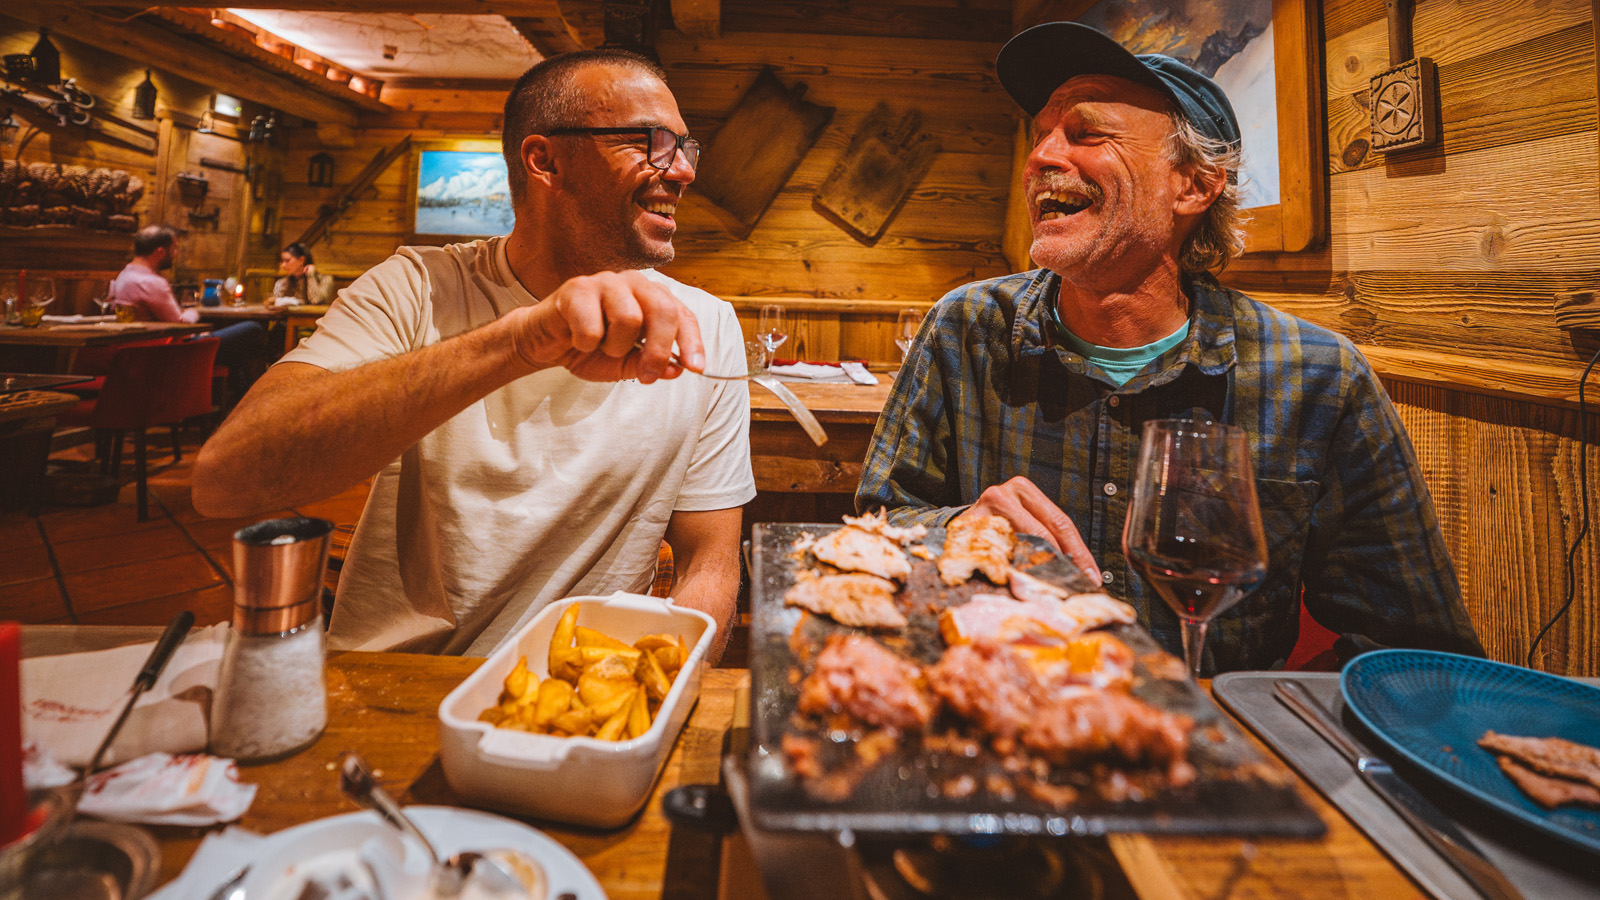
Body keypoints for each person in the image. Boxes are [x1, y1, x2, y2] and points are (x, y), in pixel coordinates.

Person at [856, 22, 1484, 674]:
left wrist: (1250, 732)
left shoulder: (1319, 379)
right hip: (1001, 716)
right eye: (1040, 133)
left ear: (1193, 185)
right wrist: (959, 522)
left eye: (1085, 132)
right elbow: (877, 524)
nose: (1041, 155)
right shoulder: (966, 329)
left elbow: (1414, 651)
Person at [191, 49, 755, 660]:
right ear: (545, 160)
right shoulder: (414, 286)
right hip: (395, 680)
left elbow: (711, 560)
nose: (682, 172)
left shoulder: (706, 324)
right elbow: (226, 482)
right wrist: (520, 341)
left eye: (685, 147)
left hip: (584, 697)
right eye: (649, 141)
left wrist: (668, 683)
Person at [111, 224, 268, 399]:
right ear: (160, 252)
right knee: (253, 329)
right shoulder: (151, 282)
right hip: (170, 353)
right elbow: (181, 323)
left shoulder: (124, 275)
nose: (176, 253)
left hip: (140, 352)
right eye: (175, 248)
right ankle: (246, 400)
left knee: (237, 352)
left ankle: (238, 401)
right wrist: (193, 311)